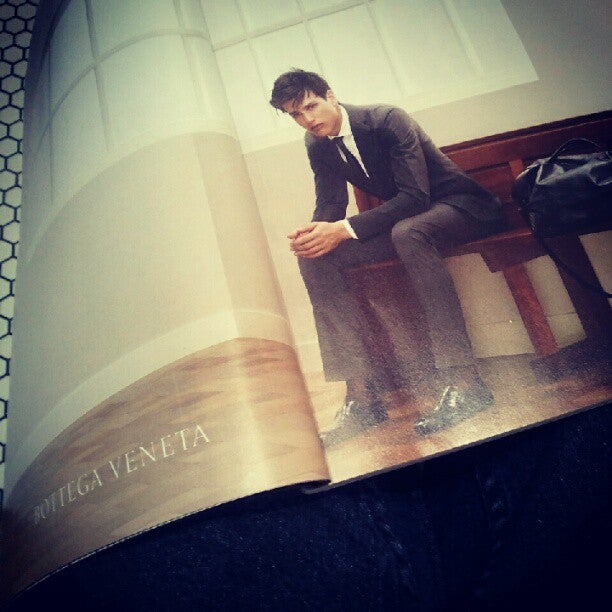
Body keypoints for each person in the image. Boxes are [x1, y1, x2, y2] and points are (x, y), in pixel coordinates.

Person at [269, 69, 506, 445]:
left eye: (311, 106)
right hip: (412, 223)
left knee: (408, 232)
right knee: (317, 258)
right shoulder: (317, 143)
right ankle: (363, 398)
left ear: (331, 95)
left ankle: (466, 383)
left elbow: (416, 197)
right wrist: (316, 233)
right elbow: (331, 203)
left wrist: (342, 229)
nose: (307, 119)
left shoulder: (387, 120)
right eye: (296, 115)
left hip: (464, 207)